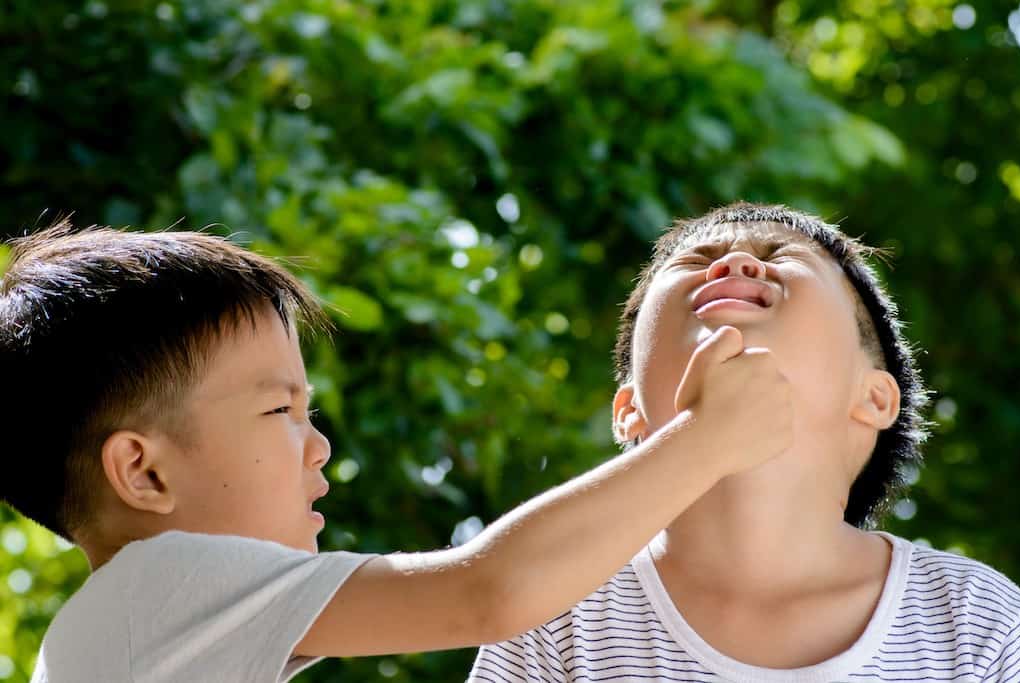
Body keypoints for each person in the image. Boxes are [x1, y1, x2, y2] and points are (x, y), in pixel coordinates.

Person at [0, 220, 792, 683]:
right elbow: (489, 588)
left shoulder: (145, 630)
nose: (319, 446)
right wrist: (706, 439)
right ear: (143, 469)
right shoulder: (161, 591)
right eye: (279, 408)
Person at [470, 202, 1020, 682]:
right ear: (629, 409)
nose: (735, 262)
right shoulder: (556, 614)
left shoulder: (976, 619)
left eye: (780, 256)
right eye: (694, 262)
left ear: (875, 399)